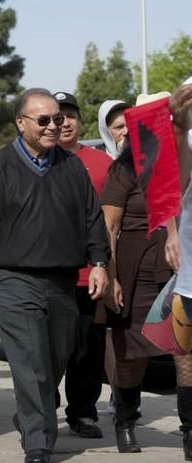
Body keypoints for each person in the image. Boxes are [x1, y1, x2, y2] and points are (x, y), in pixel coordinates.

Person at [0, 88, 110, 463]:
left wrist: (100, 263)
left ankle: (31, 417)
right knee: (30, 361)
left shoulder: (72, 167)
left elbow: (92, 217)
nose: (53, 126)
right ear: (21, 123)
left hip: (61, 280)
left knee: (55, 358)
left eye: (57, 119)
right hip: (12, 280)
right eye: (43, 120)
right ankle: (39, 442)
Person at [98, 90, 192, 456]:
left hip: (178, 266)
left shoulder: (183, 157)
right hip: (136, 266)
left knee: (184, 349)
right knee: (133, 352)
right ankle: (125, 419)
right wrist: (112, 275)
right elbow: (109, 226)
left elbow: (183, 193)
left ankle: (188, 430)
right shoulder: (124, 168)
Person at [54, 91, 113, 438]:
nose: (65, 122)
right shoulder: (41, 161)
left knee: (88, 349)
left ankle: (84, 412)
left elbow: (109, 221)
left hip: (90, 273)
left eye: (70, 115)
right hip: (52, 272)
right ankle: (43, 409)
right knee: (51, 349)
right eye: (57, 116)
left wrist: (104, 266)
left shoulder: (103, 162)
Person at [170, 79, 192, 461]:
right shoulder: (181, 134)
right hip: (190, 265)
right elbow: (167, 182)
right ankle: (190, 430)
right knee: (187, 355)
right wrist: (176, 121)